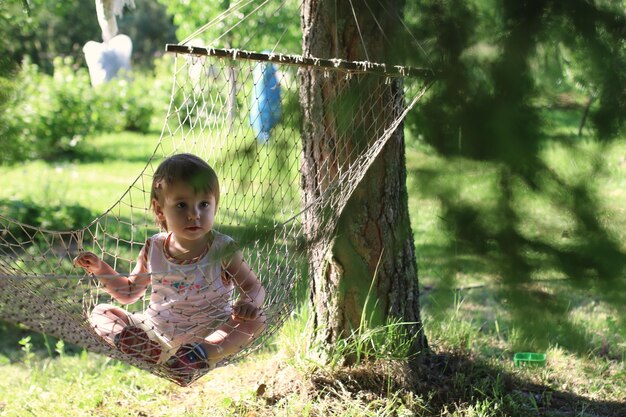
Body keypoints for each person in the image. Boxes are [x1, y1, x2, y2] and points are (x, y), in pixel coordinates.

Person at [74, 153, 266, 384]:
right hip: (156, 335)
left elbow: (253, 286)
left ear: (215, 205)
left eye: (204, 204)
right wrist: (99, 267)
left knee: (258, 320)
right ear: (159, 209)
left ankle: (196, 357)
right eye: (182, 205)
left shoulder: (223, 249)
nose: (194, 214)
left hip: (212, 334)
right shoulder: (153, 247)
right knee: (102, 312)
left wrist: (250, 302)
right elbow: (128, 293)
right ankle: (137, 345)